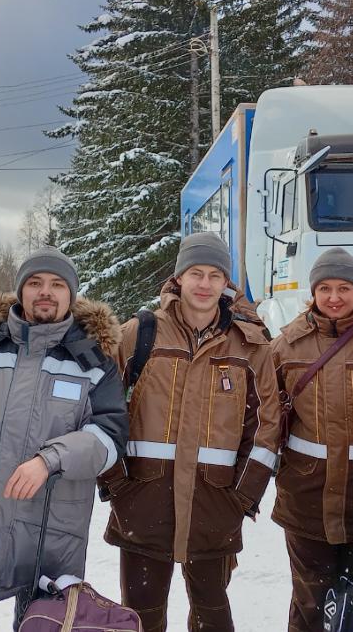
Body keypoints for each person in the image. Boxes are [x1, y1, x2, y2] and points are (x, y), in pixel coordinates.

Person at [0, 247, 128, 632]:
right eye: (35, 283)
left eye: (57, 284)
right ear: (20, 291)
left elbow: (109, 437)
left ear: (72, 294)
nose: (45, 292)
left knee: (42, 624)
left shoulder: (93, 365)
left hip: (50, 528)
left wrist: (50, 459)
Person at [99, 232, 281, 632]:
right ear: (178, 278)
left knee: (212, 612)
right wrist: (116, 486)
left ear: (225, 283)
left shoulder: (251, 347)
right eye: (195, 273)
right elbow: (103, 411)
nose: (204, 283)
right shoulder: (139, 334)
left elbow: (266, 429)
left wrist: (242, 498)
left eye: (215, 275)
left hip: (214, 503)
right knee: (142, 616)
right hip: (143, 500)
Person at [270, 248, 353, 632]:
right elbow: (264, 413)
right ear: (313, 291)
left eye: (344, 287)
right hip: (307, 499)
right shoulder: (288, 344)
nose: (334, 297)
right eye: (324, 288)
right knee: (311, 601)